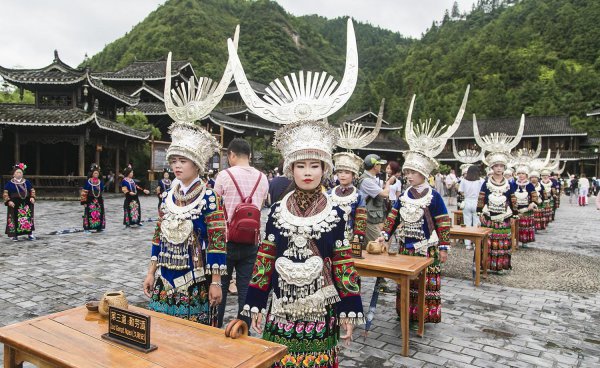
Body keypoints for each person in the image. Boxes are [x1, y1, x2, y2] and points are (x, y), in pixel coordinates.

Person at [231, 20, 363, 365]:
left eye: (314, 166)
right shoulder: (277, 210)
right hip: (282, 308)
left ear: (325, 170)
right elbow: (264, 260)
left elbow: (342, 262)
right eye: (301, 166)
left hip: (321, 307)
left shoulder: (334, 212)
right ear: (290, 169)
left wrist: (349, 310)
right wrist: (253, 306)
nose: (307, 172)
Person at [377, 84, 469, 323]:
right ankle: (405, 313)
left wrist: (444, 247)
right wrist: (384, 236)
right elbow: (392, 219)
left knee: (426, 284)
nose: (408, 176)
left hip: (427, 247)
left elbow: (443, 222)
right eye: (407, 173)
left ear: (423, 174)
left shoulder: (434, 196)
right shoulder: (403, 195)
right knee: (407, 284)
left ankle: (425, 315)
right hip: (406, 246)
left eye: (412, 173)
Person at [143, 122, 227, 324]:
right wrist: (151, 272)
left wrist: (216, 282)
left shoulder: (210, 198)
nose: (177, 166)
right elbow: (158, 236)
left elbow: (217, 243)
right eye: (174, 161)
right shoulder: (167, 197)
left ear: (196, 164)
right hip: (165, 278)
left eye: (183, 161)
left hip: (196, 279)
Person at [214, 138, 269, 329]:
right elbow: (260, 206)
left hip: (226, 239)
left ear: (231, 155)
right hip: (252, 240)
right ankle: (243, 330)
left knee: (220, 286)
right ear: (250, 156)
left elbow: (216, 206)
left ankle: (215, 327)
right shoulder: (263, 178)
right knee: (246, 288)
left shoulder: (224, 175)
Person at [357, 153, 396, 245]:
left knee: (382, 244)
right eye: (380, 164)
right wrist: (388, 183)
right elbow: (385, 194)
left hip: (374, 219)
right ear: (375, 166)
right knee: (379, 245)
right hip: (369, 221)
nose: (381, 166)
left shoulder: (370, 179)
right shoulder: (367, 181)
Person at [3, 163, 36, 241]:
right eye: (17, 172)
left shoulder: (27, 182)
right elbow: (5, 194)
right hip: (14, 204)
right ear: (13, 174)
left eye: (20, 172)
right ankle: (15, 235)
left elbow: (32, 190)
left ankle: (30, 234)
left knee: (27, 218)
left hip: (26, 203)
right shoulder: (9, 184)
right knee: (14, 218)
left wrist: (32, 197)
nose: (19, 174)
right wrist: (9, 201)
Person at [458, 165, 484, 249]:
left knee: (467, 223)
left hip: (467, 201)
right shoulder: (481, 181)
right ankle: (476, 243)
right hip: (477, 202)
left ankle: (467, 244)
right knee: (477, 223)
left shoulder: (463, 181)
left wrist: (467, 194)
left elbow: (461, 191)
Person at [513, 165, 538, 246]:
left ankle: (524, 241)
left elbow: (534, 196)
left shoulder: (530, 185)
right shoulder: (512, 184)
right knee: (515, 226)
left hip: (527, 209)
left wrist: (532, 203)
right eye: (519, 173)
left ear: (526, 175)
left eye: (523, 173)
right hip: (515, 209)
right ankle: (515, 241)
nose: (521, 175)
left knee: (524, 226)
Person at [80, 164, 105, 233]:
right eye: (95, 173)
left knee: (99, 213)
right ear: (92, 174)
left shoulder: (100, 181)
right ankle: (87, 228)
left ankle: (99, 228)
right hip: (90, 200)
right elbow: (84, 192)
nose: (96, 174)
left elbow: (102, 190)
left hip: (99, 200)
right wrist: (84, 202)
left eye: (97, 173)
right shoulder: (88, 181)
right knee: (89, 213)